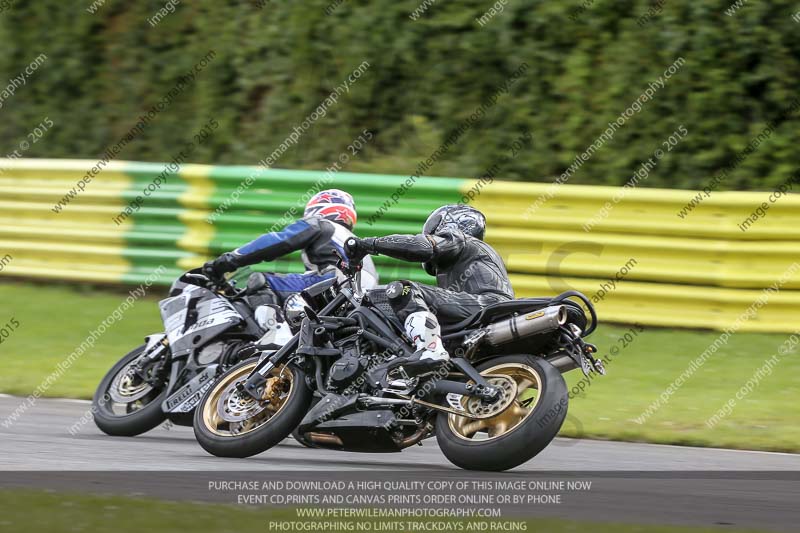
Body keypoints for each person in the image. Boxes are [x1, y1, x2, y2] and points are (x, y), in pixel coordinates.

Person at [345, 204, 513, 376]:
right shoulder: (471, 255)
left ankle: (429, 348)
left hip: (485, 304)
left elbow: (424, 247)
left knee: (403, 289)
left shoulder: (459, 238)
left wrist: (369, 244)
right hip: (484, 311)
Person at [203, 189, 379, 306]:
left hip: (335, 287)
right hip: (360, 301)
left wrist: (229, 260)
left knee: (262, 283)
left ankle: (273, 339)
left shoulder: (320, 224)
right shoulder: (351, 240)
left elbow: (278, 241)